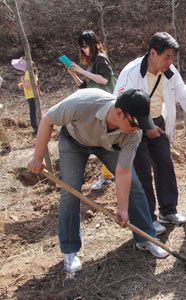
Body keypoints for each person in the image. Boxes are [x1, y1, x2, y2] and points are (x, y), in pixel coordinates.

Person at [27, 88, 169, 273]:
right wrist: (38, 157)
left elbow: (123, 171)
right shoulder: (82, 103)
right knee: (70, 192)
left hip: (108, 146)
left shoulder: (133, 132)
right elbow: (48, 120)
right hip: (74, 142)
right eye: (135, 123)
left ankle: (146, 238)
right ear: (119, 113)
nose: (137, 129)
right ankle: (70, 250)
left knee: (134, 184)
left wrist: (123, 209)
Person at [114, 32, 186, 234]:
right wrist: (146, 126)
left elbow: (184, 94)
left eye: (172, 58)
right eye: (167, 57)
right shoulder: (132, 73)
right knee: (142, 172)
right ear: (153, 53)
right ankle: (148, 218)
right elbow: (122, 105)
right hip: (134, 126)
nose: (170, 62)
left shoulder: (169, 71)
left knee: (165, 164)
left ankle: (168, 210)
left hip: (158, 121)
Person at [66, 30, 116, 191]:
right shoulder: (93, 62)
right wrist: (74, 75)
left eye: (85, 46)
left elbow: (104, 79)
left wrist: (82, 71)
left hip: (106, 105)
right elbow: (84, 87)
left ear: (93, 43)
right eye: (81, 47)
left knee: (107, 141)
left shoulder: (101, 58)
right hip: (97, 105)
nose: (83, 50)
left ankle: (108, 176)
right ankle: (108, 175)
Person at [11, 57, 40, 134]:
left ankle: (36, 129)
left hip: (31, 95)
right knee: (34, 112)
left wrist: (22, 80)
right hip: (33, 94)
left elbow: (27, 85)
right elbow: (31, 84)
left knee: (33, 113)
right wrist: (22, 84)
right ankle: (38, 128)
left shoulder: (28, 73)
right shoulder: (33, 72)